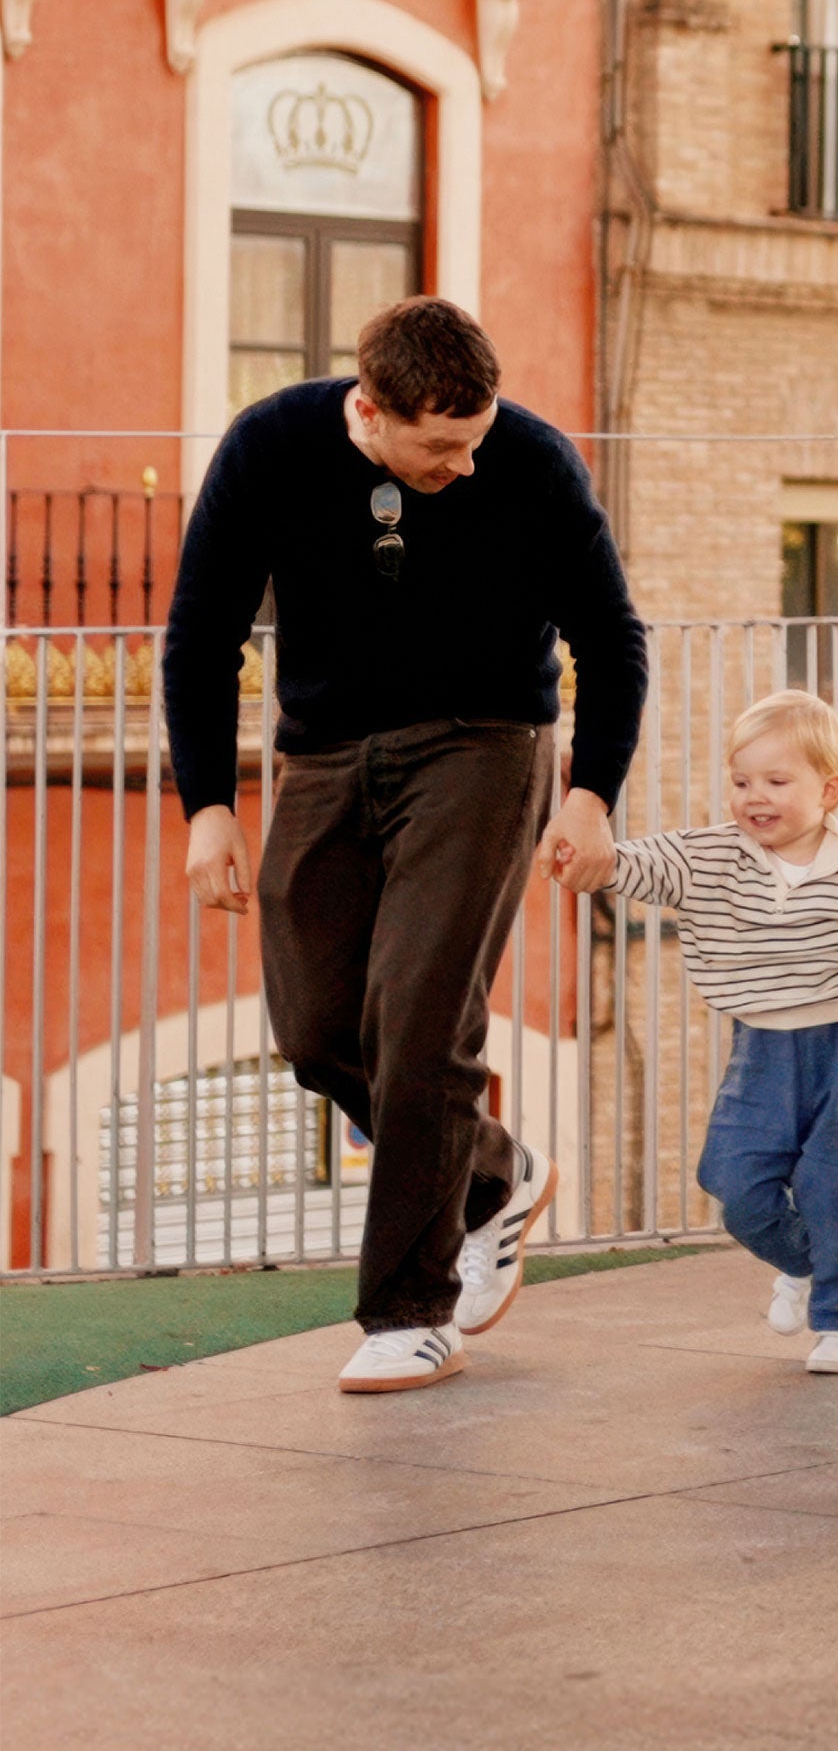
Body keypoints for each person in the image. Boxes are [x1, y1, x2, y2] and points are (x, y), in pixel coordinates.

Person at [165, 297, 647, 1394]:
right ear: (370, 411)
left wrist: (590, 795)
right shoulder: (271, 448)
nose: (465, 468)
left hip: (485, 747)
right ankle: (492, 1176)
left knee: (421, 1014)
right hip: (323, 756)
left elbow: (611, 638)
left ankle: (409, 1310)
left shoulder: (530, 462)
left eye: (475, 441)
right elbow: (202, 635)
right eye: (440, 448)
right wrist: (208, 805)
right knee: (317, 1027)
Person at [596, 690, 838, 1373]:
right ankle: (808, 1263)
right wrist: (594, 859)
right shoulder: (713, 856)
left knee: (834, 1187)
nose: (756, 797)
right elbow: (641, 865)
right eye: (742, 780)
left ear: (828, 789)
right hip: (760, 1049)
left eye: (778, 782)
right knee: (733, 1181)